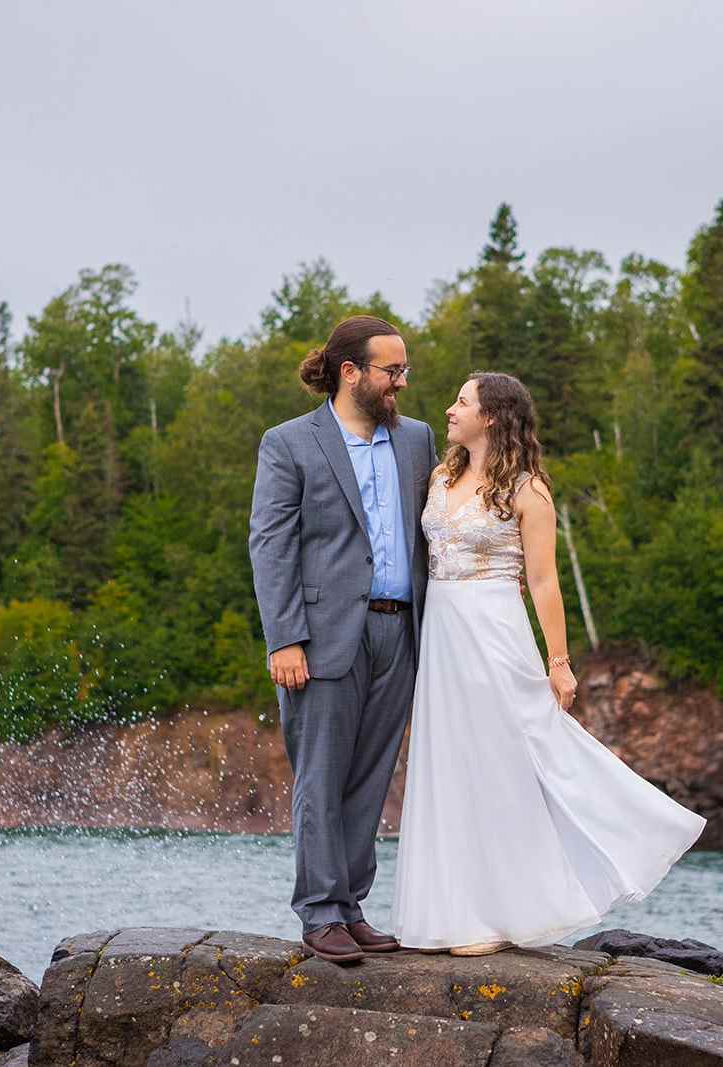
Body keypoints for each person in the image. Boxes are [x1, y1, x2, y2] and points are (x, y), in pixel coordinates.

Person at [391, 372, 706, 956]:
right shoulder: (442, 476)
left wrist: (558, 662)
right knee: (450, 765)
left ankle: (614, 845)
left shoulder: (528, 490)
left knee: (510, 759)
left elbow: (543, 580)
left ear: (491, 417)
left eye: (462, 402)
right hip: (442, 635)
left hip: (494, 628)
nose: (449, 409)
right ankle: (454, 913)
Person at [248, 315, 440, 964]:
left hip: (401, 632)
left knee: (369, 780)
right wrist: (285, 639)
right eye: (392, 370)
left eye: (404, 370)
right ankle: (320, 912)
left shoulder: (417, 439)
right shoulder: (289, 443)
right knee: (320, 779)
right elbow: (270, 546)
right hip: (322, 637)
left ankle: (351, 906)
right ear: (350, 372)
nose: (402, 382)